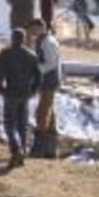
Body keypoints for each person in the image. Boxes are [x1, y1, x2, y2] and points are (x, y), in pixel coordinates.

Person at [0, 29, 41, 169]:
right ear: (23, 39)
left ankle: (16, 149)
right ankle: (23, 152)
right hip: (25, 94)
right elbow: (38, 76)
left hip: (11, 93)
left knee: (9, 124)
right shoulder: (31, 55)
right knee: (22, 124)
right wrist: (33, 90)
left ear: (12, 38)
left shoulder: (5, 53)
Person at [28, 19, 61, 159]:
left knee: (42, 112)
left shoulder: (48, 42)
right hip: (47, 80)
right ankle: (51, 148)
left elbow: (51, 63)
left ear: (39, 27)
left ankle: (39, 147)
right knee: (49, 112)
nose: (31, 31)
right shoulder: (43, 40)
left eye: (32, 28)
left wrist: (36, 71)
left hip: (49, 80)